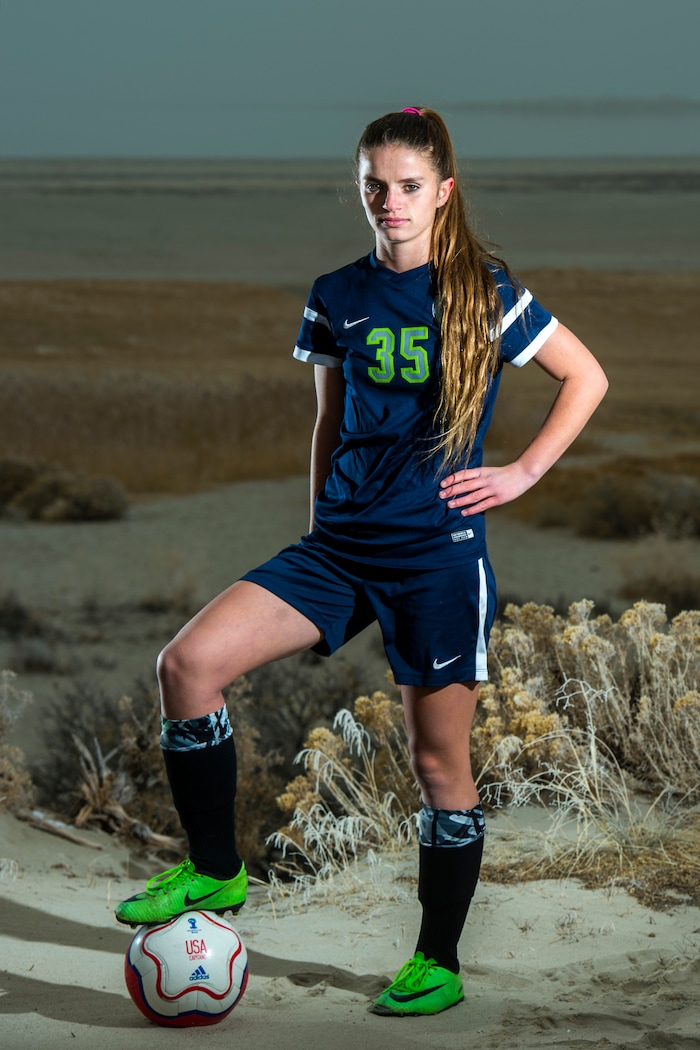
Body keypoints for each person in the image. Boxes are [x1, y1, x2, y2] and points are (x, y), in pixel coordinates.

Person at [115, 107, 608, 1016]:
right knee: (187, 666)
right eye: (373, 186)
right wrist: (317, 525)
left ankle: (439, 963)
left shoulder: (483, 292)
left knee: (437, 767)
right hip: (339, 548)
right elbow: (328, 421)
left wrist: (523, 472)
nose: (390, 202)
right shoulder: (334, 290)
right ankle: (217, 872)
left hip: (437, 558)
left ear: (443, 192)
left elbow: (587, 375)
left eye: (409, 186)